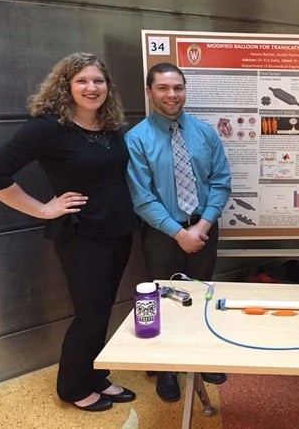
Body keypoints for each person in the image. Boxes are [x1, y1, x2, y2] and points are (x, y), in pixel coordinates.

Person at [0, 53, 140, 412]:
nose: (92, 88)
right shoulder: (48, 127)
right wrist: (43, 209)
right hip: (82, 237)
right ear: (66, 85)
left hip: (117, 230)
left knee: (101, 309)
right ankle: (72, 386)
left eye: (98, 81)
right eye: (82, 80)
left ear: (108, 87)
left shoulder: (110, 125)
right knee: (90, 314)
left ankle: (95, 375)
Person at [125, 62, 232, 402]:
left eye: (178, 88)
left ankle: (200, 359)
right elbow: (142, 198)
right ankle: (166, 368)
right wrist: (178, 233)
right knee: (162, 300)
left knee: (201, 295)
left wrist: (201, 226)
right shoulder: (136, 139)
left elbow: (221, 182)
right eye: (163, 88)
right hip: (162, 233)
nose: (172, 95)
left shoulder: (205, 133)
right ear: (149, 91)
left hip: (203, 229)